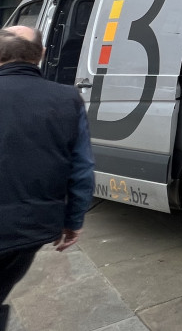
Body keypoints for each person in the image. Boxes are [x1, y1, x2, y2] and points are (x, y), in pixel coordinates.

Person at [0, 26, 94, 330]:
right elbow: (81, 170)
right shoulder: (68, 99)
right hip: (31, 229)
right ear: (41, 55)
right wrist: (73, 220)